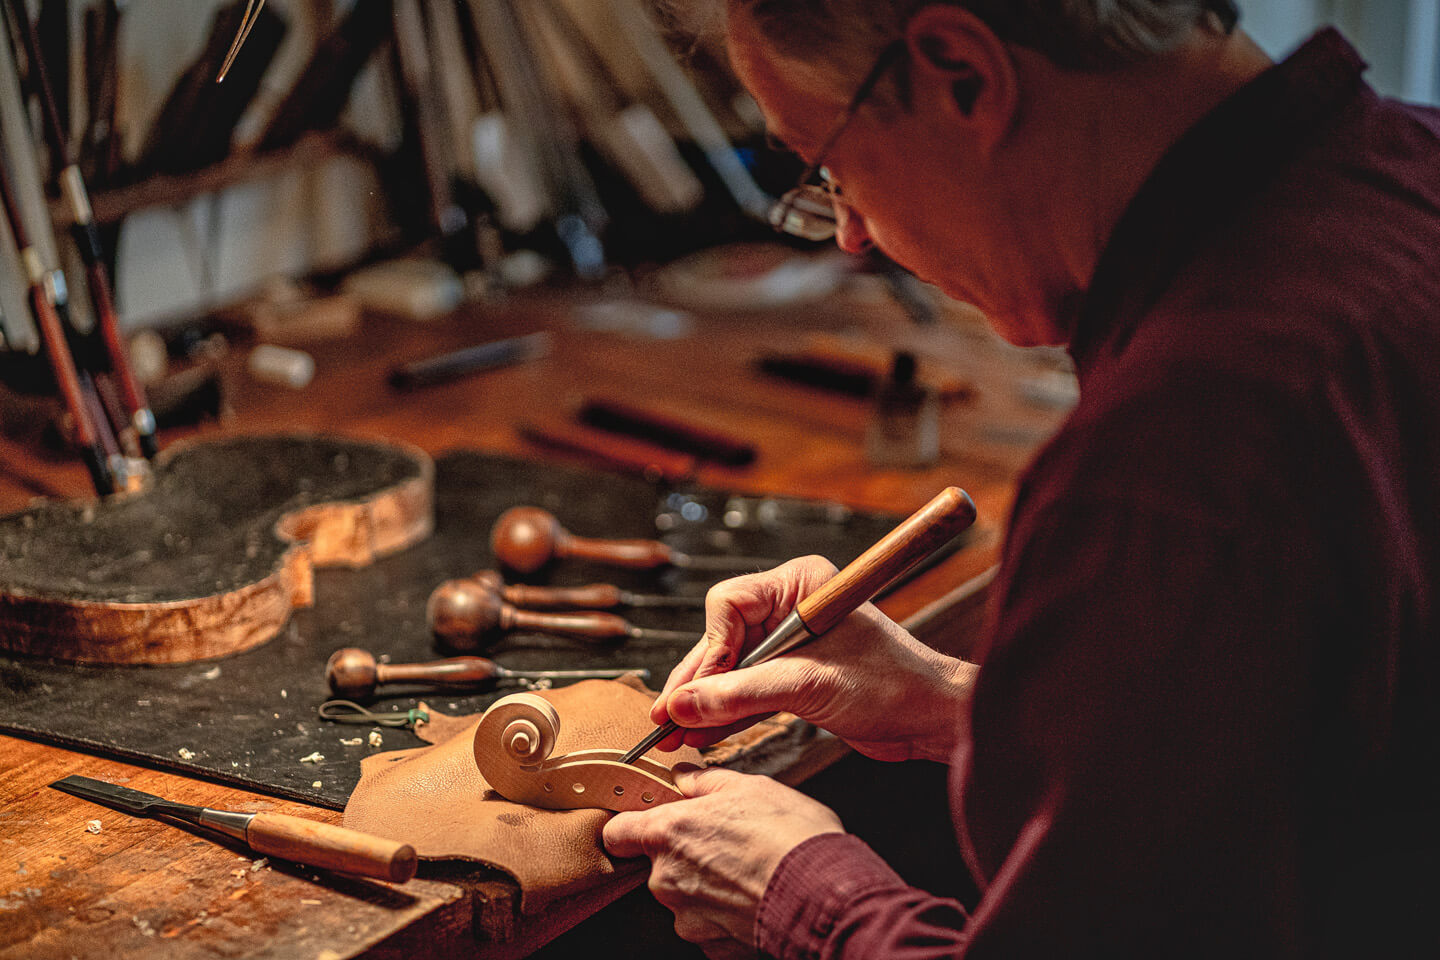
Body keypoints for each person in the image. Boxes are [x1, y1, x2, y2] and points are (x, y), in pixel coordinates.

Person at [601, 1, 1440, 956]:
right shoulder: (1415, 168)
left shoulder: (1175, 458)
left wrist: (806, 898)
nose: (850, 238)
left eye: (833, 169)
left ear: (962, 73)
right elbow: (1339, 751)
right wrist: (961, 703)